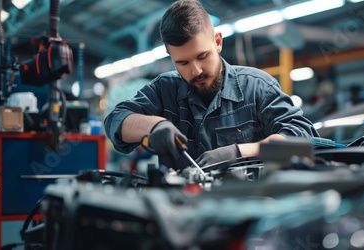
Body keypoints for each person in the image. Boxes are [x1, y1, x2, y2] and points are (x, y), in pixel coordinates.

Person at [104, 0, 318, 170]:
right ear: (170, 57)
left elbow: (301, 135)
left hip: (251, 210)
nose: (195, 70)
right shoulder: (164, 90)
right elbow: (116, 120)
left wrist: (240, 151)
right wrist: (153, 126)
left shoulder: (257, 87)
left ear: (217, 41)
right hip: (182, 212)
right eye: (183, 62)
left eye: (202, 56)